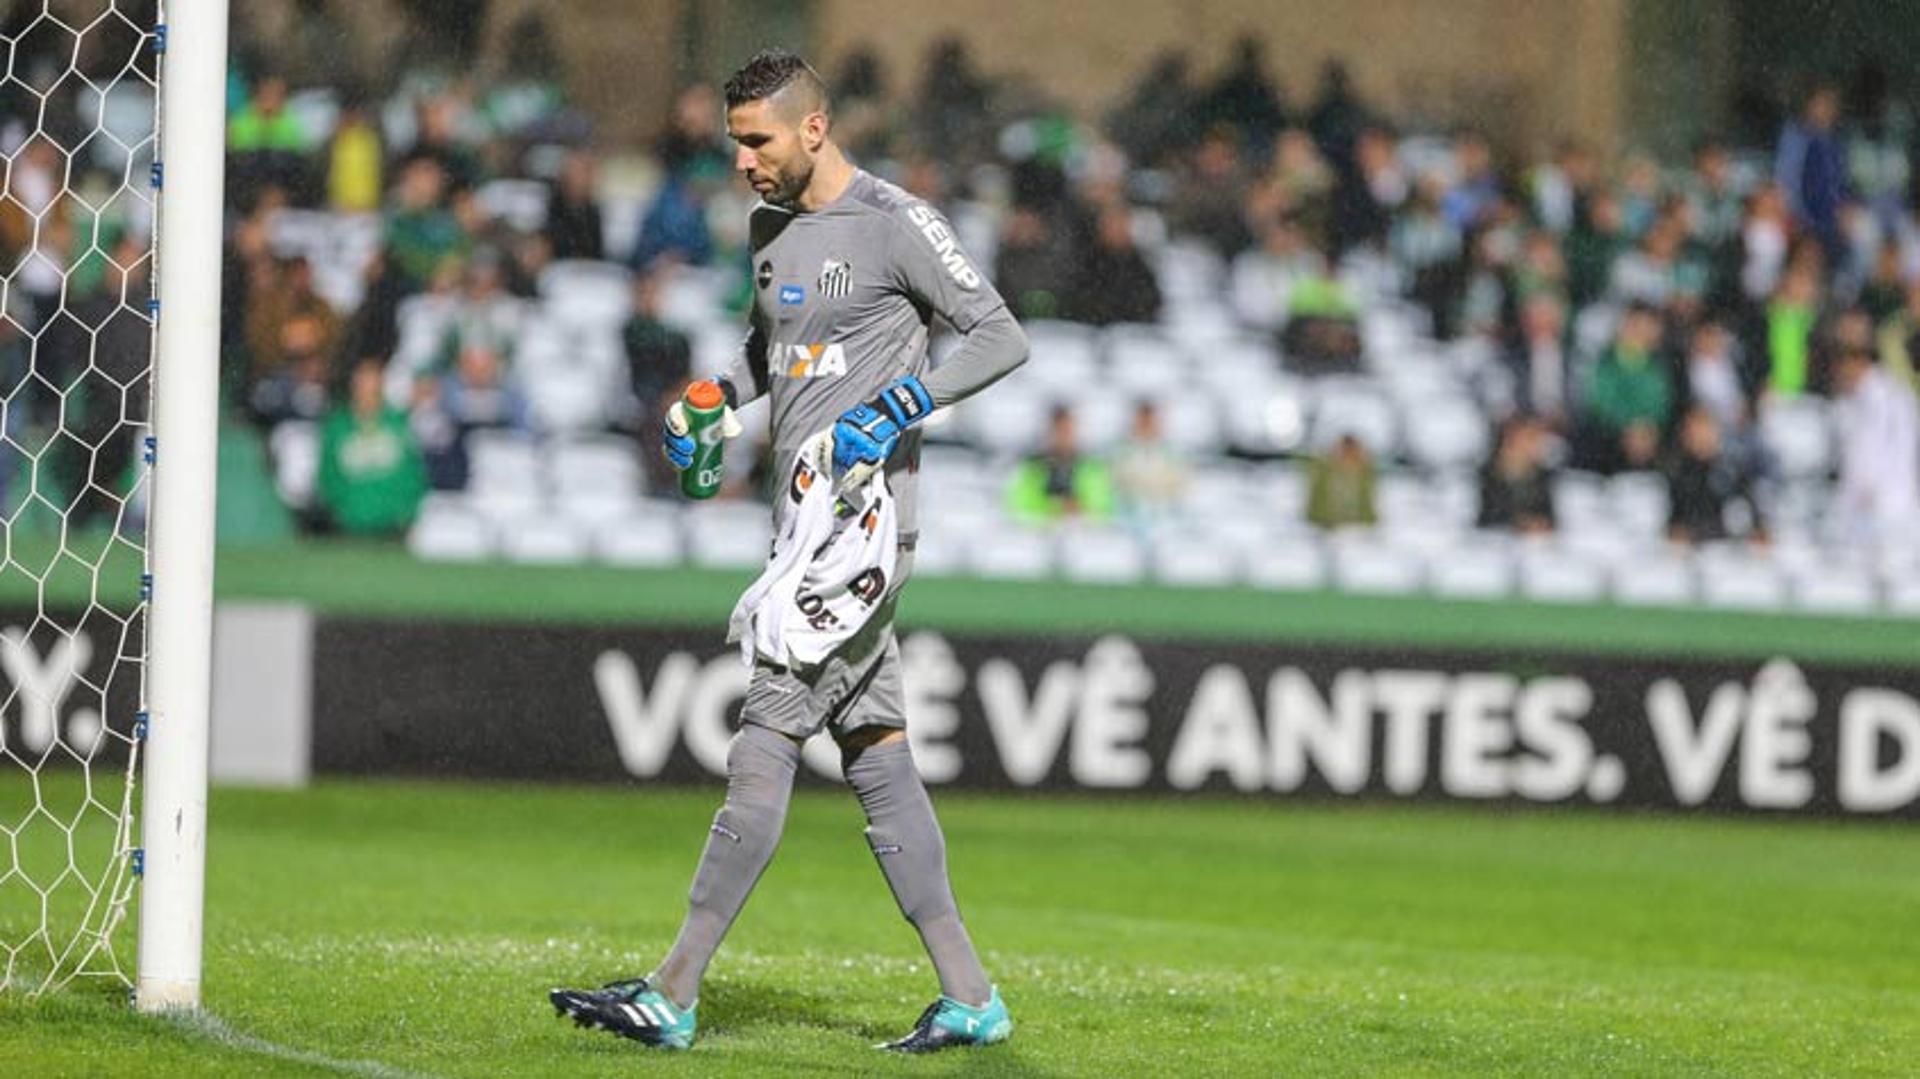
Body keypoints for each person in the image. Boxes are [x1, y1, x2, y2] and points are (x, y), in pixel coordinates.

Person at [550, 49, 1027, 1054]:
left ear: (813, 129)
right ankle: (971, 996)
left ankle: (673, 987)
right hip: (798, 524)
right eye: (734, 142)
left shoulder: (896, 223)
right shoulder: (772, 233)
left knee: (765, 737)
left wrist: (903, 401)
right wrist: (718, 396)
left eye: (756, 140)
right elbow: (776, 347)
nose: (741, 161)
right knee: (878, 754)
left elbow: (997, 335)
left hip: (860, 531)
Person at [315, 358, 428, 537]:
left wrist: (408, 510)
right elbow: (327, 472)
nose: (366, 390)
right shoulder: (338, 425)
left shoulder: (398, 423)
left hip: (393, 524)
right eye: (362, 383)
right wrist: (339, 509)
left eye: (372, 383)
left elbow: (413, 471)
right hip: (349, 524)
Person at [1832, 346, 1920, 546]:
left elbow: (1884, 445)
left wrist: (1870, 483)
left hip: (1885, 495)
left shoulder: (1885, 397)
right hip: (1872, 495)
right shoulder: (1857, 396)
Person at [1580, 304, 1673, 472]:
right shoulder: (1604, 363)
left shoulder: (1658, 367)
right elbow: (1601, 403)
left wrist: (1649, 428)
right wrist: (1629, 427)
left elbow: (1661, 405)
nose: (1641, 334)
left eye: (1648, 328)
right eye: (1636, 326)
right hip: (1611, 439)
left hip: (1649, 439)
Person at [1664, 406, 1764, 546]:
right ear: (1685, 436)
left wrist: (1759, 531)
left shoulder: (1733, 468)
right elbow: (1675, 523)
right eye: (1695, 431)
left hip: (1735, 547)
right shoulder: (1678, 474)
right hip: (1695, 549)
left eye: (1707, 429)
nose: (1702, 437)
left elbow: (1753, 512)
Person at [1006, 404, 1114, 524]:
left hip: (1081, 533)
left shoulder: (1091, 466)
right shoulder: (1032, 467)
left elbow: (1102, 507)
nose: (1064, 436)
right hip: (1039, 532)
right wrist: (1053, 507)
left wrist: (1078, 508)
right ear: (1049, 432)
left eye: (1068, 430)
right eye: (1059, 430)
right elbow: (1018, 506)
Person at [1477, 416, 1556, 534]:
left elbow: (1550, 517)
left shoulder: (1544, 475)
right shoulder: (1488, 474)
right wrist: (1518, 523)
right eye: (1528, 438)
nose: (1535, 445)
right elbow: (1486, 517)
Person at [1305, 433, 1377, 529]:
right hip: (1325, 528)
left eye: (1352, 451)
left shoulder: (1364, 477)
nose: (1348, 454)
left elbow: (1369, 514)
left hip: (1358, 530)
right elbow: (1314, 511)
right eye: (1345, 450)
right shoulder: (1324, 475)